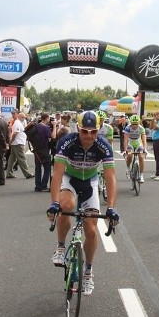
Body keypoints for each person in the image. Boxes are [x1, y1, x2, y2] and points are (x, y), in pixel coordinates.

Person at [47, 111, 119, 296]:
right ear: (78, 128)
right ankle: (61, 246)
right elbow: (57, 174)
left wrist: (110, 207)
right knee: (66, 206)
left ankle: (88, 271)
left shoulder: (103, 146)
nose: (89, 136)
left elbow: (110, 178)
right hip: (70, 179)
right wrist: (54, 203)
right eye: (84, 131)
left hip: (90, 183)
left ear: (98, 130)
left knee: (92, 230)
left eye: (93, 131)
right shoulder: (67, 142)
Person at [28, 112, 53, 192]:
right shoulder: (46, 128)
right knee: (47, 168)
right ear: (46, 118)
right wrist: (55, 126)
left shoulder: (36, 126)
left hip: (36, 149)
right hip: (44, 149)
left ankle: (38, 186)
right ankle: (43, 185)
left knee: (38, 168)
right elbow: (53, 136)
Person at [122, 115, 147, 183]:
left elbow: (144, 139)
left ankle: (141, 175)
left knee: (141, 157)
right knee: (130, 155)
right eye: (133, 124)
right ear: (131, 123)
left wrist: (145, 149)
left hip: (138, 143)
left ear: (138, 123)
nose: (135, 125)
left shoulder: (141, 128)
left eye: (136, 124)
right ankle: (128, 168)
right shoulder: (128, 128)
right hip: (130, 143)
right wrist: (125, 150)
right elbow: (125, 140)